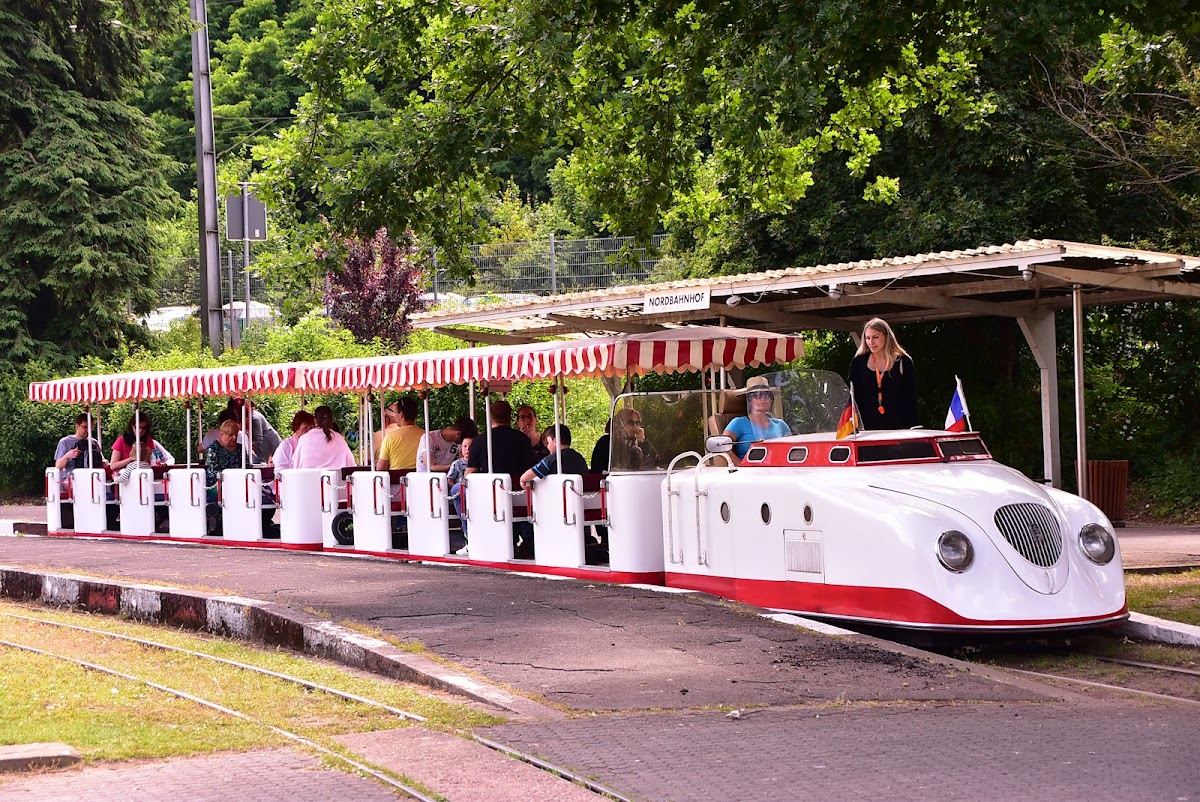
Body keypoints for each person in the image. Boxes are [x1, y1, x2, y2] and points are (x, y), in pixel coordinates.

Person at [847, 317, 918, 430]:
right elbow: (852, 398)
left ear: (886, 337)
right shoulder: (859, 362)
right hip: (866, 429)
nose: (871, 342)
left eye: (875, 337)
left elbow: (910, 399)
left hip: (898, 428)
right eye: (867, 338)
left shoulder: (904, 362)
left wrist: (911, 429)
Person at [723, 376, 791, 460]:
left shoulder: (781, 424)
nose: (762, 399)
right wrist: (740, 467)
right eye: (757, 395)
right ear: (749, 400)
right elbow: (721, 446)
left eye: (767, 395)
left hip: (780, 470)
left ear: (771, 400)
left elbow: (792, 448)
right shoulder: (739, 423)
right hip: (750, 471)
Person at [465, 400, 536, 477]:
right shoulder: (524, 439)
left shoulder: (479, 441)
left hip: (490, 486)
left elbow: (470, 474)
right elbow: (530, 468)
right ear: (510, 417)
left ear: (490, 418)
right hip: (518, 487)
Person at [519, 424, 589, 489]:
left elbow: (530, 474)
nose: (547, 446)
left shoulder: (552, 459)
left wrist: (522, 480)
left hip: (556, 497)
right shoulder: (579, 458)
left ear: (555, 441)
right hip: (578, 498)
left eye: (548, 442)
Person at [292, 406, 356, 470]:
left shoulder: (303, 439)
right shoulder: (340, 439)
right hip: (334, 479)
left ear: (315, 420)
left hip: (308, 479)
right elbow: (351, 465)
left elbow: (296, 465)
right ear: (332, 420)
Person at [227, 398, 282, 464]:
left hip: (270, 445)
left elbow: (258, 441)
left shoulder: (256, 419)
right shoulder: (241, 418)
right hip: (260, 450)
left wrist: (247, 448)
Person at [376, 396, 423, 471]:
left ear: (401, 414)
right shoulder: (425, 435)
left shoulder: (390, 437)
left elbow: (381, 468)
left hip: (396, 481)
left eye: (396, 412)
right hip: (421, 479)